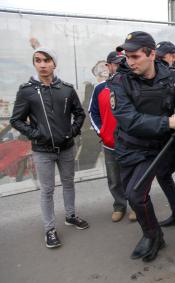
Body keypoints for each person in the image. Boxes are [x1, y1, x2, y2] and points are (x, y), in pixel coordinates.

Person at [109, 31, 175, 262]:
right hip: (130, 147)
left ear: (151, 54)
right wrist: (169, 121)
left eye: (136, 56)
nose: (130, 62)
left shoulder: (174, 76)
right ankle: (160, 229)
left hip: (158, 148)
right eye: (127, 57)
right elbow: (127, 118)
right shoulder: (119, 81)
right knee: (133, 195)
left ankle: (152, 235)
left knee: (136, 195)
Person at [10, 47, 88, 249]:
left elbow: (79, 114)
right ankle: (49, 229)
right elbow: (16, 120)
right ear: (35, 63)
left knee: (69, 182)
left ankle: (70, 216)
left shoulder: (67, 89)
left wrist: (72, 131)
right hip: (42, 150)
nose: (43, 64)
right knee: (47, 190)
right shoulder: (26, 90)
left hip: (67, 148)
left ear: (54, 63)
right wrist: (38, 135)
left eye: (47, 60)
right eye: (38, 60)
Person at [88, 51, 139, 222]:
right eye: (115, 63)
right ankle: (119, 206)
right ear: (108, 66)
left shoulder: (134, 85)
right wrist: (102, 132)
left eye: (122, 62)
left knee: (133, 177)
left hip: (132, 142)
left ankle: (135, 207)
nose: (118, 66)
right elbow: (93, 112)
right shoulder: (100, 88)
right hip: (110, 144)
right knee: (115, 179)